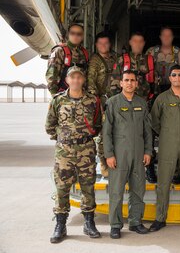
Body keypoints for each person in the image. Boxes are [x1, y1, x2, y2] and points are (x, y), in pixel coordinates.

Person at [45, 66, 101, 243]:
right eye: (72, 77)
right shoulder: (58, 100)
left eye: (79, 77)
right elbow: (49, 125)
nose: (76, 80)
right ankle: (60, 225)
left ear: (83, 80)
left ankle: (89, 222)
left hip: (86, 150)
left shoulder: (92, 100)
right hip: (64, 152)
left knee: (88, 187)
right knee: (62, 188)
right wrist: (63, 139)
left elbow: (98, 124)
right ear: (67, 80)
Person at [149, 64, 180, 232]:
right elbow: (154, 120)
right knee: (163, 181)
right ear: (169, 78)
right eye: (174, 75)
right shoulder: (162, 99)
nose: (177, 78)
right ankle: (160, 218)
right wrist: (165, 133)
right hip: (167, 143)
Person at [103, 70, 153, 239]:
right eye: (126, 80)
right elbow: (106, 132)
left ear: (136, 84)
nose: (130, 83)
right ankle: (115, 225)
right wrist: (109, 154)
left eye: (133, 80)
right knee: (116, 191)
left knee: (138, 189)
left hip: (139, 153)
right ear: (121, 83)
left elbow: (148, 131)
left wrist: (148, 151)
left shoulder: (142, 103)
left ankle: (135, 222)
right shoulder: (113, 103)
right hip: (119, 154)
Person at [114, 32, 157, 183]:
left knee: (146, 135)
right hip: (125, 105)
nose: (138, 44)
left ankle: (149, 168)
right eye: (135, 41)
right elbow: (114, 83)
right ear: (130, 42)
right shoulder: (122, 60)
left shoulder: (150, 60)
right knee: (124, 136)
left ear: (144, 43)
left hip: (144, 104)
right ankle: (124, 169)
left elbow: (155, 84)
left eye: (140, 41)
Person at [87, 32, 119, 177]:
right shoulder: (95, 60)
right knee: (104, 134)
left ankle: (114, 161)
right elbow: (91, 82)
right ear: (96, 45)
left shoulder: (115, 58)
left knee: (116, 132)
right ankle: (104, 163)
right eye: (101, 43)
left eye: (106, 43)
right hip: (103, 101)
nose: (104, 46)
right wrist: (96, 101)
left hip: (117, 100)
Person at [46, 23, 89, 96]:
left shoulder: (84, 53)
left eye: (79, 34)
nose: (75, 36)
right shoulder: (60, 50)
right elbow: (52, 74)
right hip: (63, 95)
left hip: (81, 95)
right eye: (72, 33)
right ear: (68, 34)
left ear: (82, 36)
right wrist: (54, 95)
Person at [146, 26, 180, 94]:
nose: (166, 38)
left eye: (169, 35)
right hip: (154, 90)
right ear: (160, 37)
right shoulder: (152, 52)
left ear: (173, 37)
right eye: (164, 35)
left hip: (174, 91)